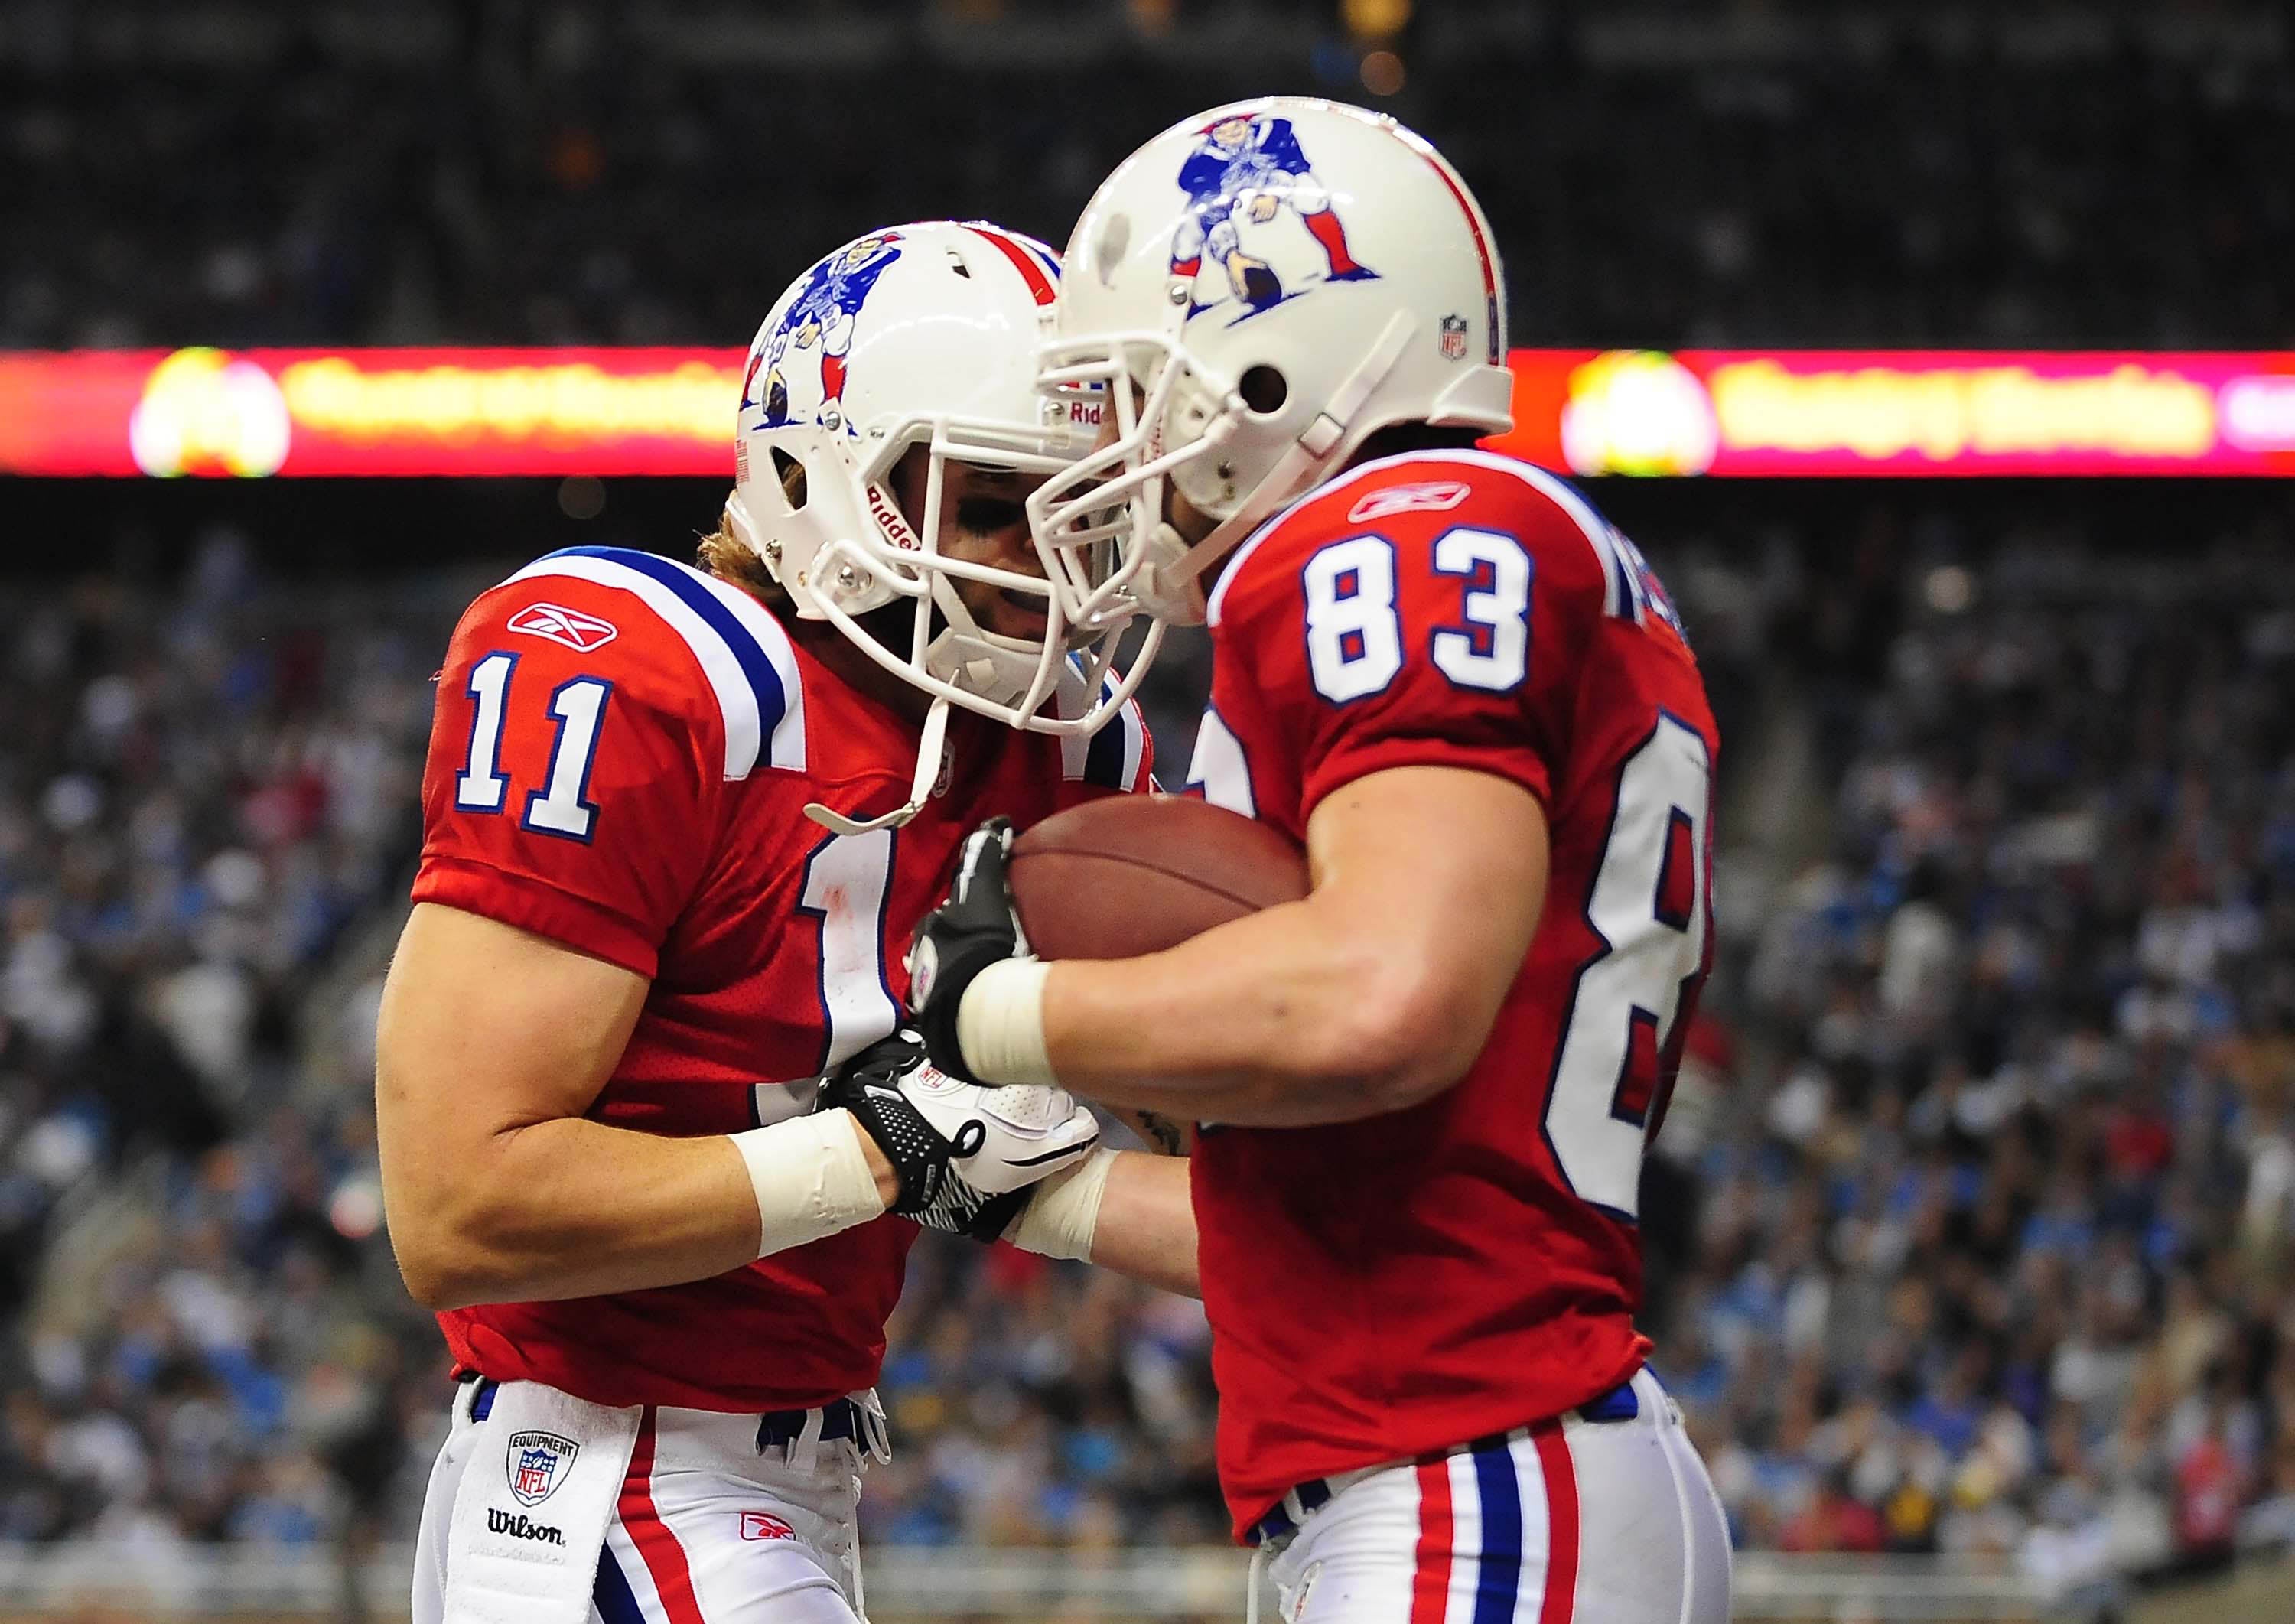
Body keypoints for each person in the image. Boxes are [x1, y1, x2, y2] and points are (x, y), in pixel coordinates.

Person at [907, 103, 1733, 1622]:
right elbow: (1332, 1227)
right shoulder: (1450, 544)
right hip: (1455, 1461)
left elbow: (1380, 998)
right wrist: (1022, 1188)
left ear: (1274, 362)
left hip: (1473, 1473)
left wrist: (997, 1012)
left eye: (1136, 392)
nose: (1117, 455)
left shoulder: (1399, 528)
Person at [375, 220, 1195, 1624]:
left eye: (1085, 510)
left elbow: (1236, 1203)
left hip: (793, 1478)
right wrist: (878, 1153)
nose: (1047, 564)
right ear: (826, 475)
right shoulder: (648, 668)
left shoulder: (1064, 753)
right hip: (602, 1472)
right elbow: (459, 1208)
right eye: (997, 498)